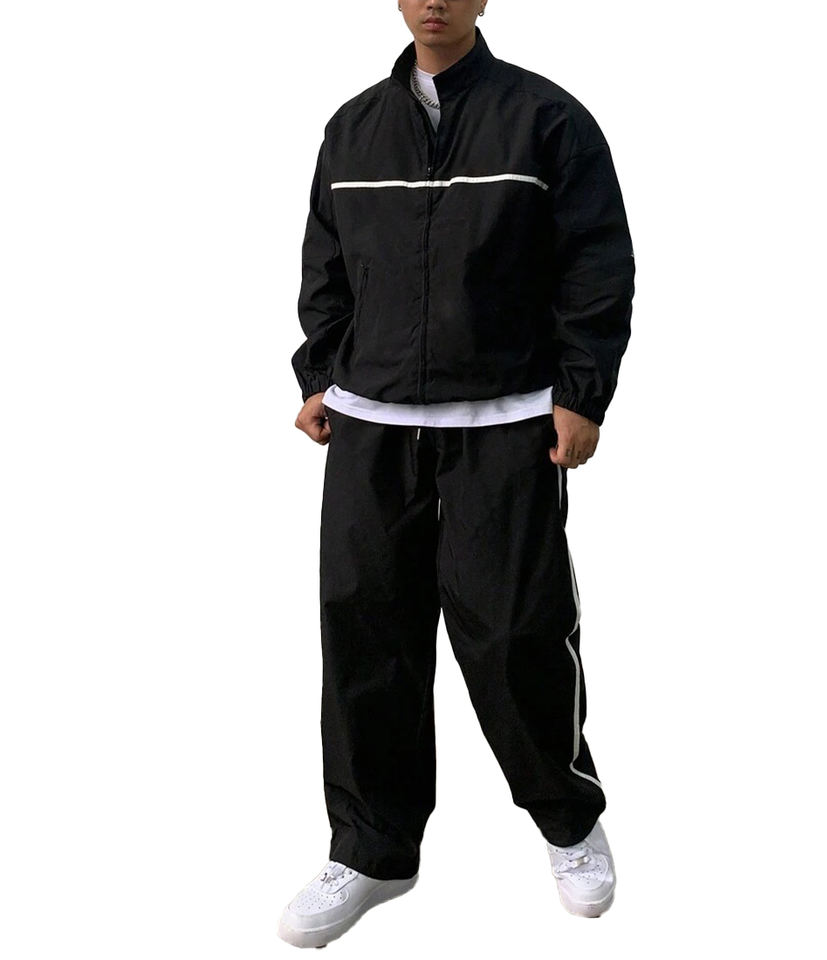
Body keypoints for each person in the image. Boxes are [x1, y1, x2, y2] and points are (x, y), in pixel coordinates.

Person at [278, 1, 634, 948]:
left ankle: (568, 820)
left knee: (517, 629)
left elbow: (596, 262)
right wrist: (319, 374)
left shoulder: (546, 118)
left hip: (505, 418)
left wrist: (582, 394)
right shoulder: (353, 127)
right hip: (374, 421)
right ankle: (371, 849)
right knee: (366, 632)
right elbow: (326, 261)